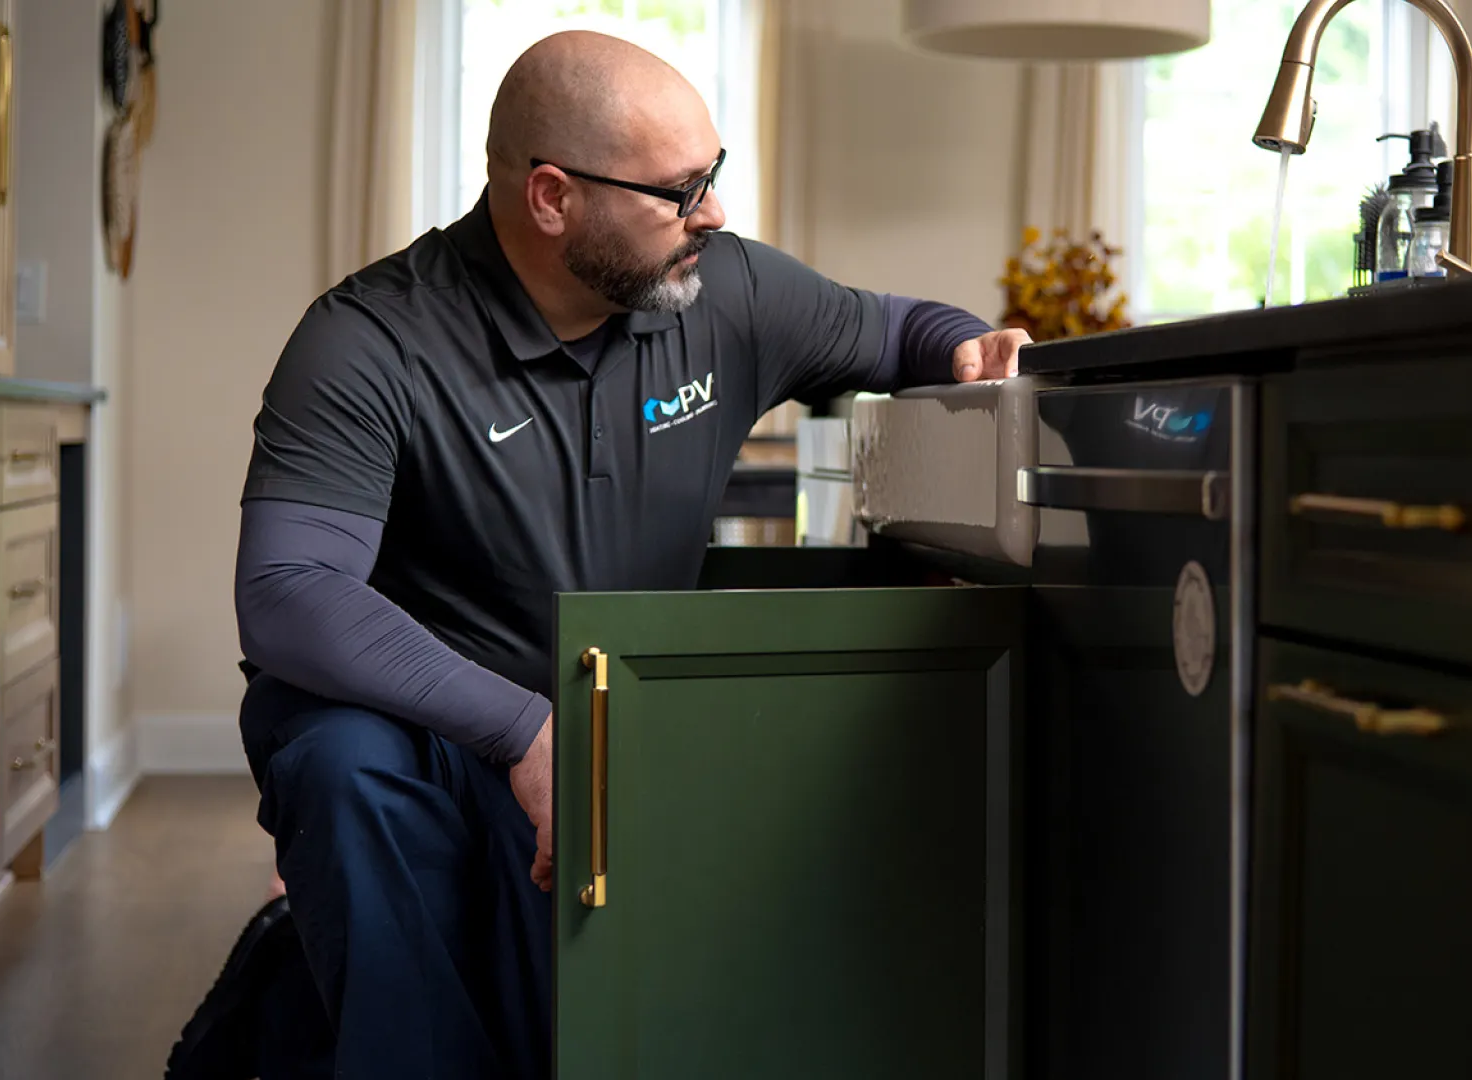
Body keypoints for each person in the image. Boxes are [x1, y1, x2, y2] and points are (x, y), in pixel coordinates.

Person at [165, 27, 1029, 1080]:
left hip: (603, 708)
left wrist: (967, 347)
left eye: (714, 174)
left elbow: (893, 328)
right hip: (414, 720)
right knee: (351, 780)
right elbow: (290, 594)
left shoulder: (728, 292)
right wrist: (523, 730)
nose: (713, 211)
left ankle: (315, 989)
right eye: (678, 190)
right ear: (550, 198)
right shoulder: (369, 340)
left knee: (559, 1029)